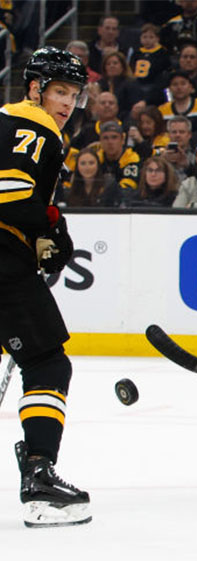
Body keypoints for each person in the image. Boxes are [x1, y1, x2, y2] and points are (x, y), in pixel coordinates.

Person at [0, 47, 92, 527]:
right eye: (59, 91)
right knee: (46, 360)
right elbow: (11, 196)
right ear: (34, 88)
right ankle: (39, 473)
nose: (66, 104)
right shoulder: (35, 128)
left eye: (74, 95)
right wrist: (52, 227)